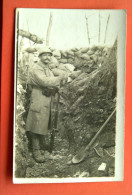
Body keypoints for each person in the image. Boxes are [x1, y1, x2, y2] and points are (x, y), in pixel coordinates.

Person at [26, 47, 64, 163]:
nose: (47, 57)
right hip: (38, 96)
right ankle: (35, 151)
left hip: (46, 97)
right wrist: (61, 77)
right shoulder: (37, 68)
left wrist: (55, 88)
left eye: (49, 55)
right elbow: (45, 81)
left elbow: (52, 81)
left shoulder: (46, 68)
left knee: (43, 121)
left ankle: (43, 145)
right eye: (45, 55)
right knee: (35, 122)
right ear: (40, 57)